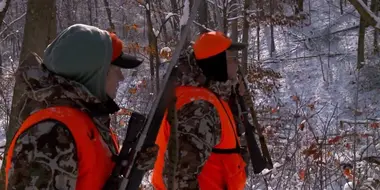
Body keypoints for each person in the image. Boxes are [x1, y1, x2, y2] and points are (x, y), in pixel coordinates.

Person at [4, 24, 156, 190]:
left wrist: (133, 170)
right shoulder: (51, 133)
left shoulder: (84, 120)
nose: (120, 77)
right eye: (115, 69)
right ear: (94, 74)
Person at [151, 31, 248, 190]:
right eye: (233, 59)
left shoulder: (203, 96)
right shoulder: (200, 107)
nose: (238, 64)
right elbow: (179, 179)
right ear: (218, 64)